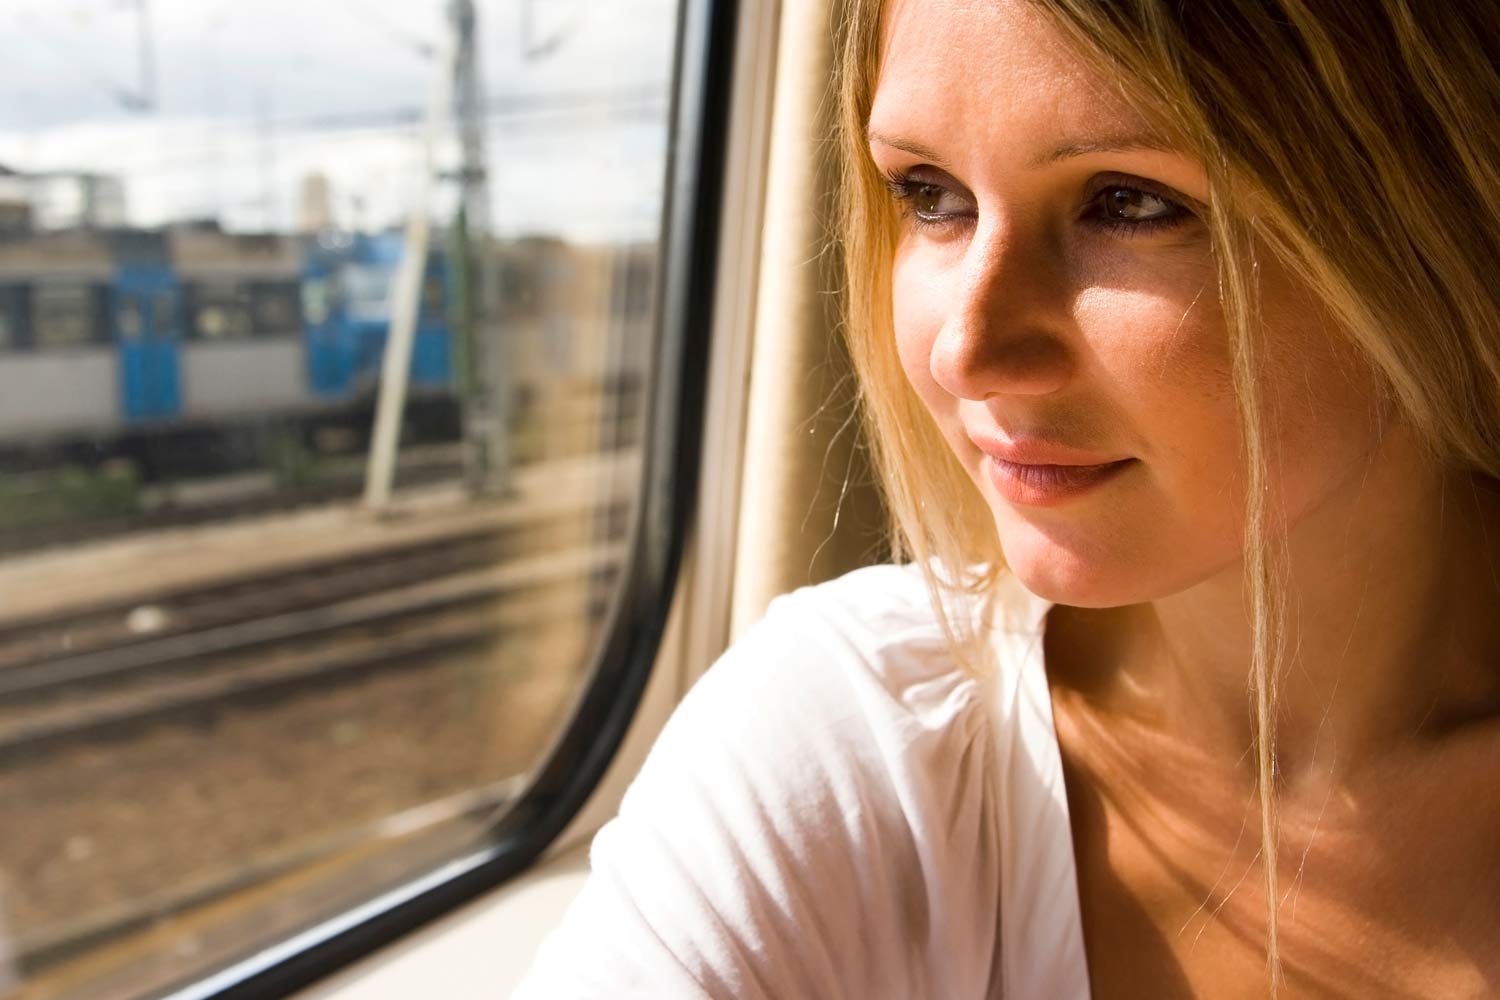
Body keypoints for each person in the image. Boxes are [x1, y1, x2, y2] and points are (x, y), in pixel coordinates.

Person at [514, 0, 1500, 996]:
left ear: (1438, 209)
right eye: (930, 194)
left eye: (1128, 202)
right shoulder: (851, 745)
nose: (967, 350)